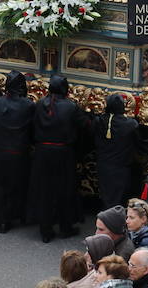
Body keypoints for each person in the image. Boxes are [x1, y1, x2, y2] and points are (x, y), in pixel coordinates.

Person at [29, 75, 87, 243]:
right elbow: (84, 125)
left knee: (44, 190)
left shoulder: (40, 104)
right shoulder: (71, 106)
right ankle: (65, 226)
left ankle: (45, 229)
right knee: (64, 190)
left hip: (42, 153)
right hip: (63, 153)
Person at [0, 70, 34, 234]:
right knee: (16, 185)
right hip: (18, 151)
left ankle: (1, 218)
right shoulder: (27, 105)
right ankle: (14, 215)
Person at [95, 93, 143, 208]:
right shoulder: (131, 124)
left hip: (104, 167)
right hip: (121, 167)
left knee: (107, 198)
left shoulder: (99, 121)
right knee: (119, 199)